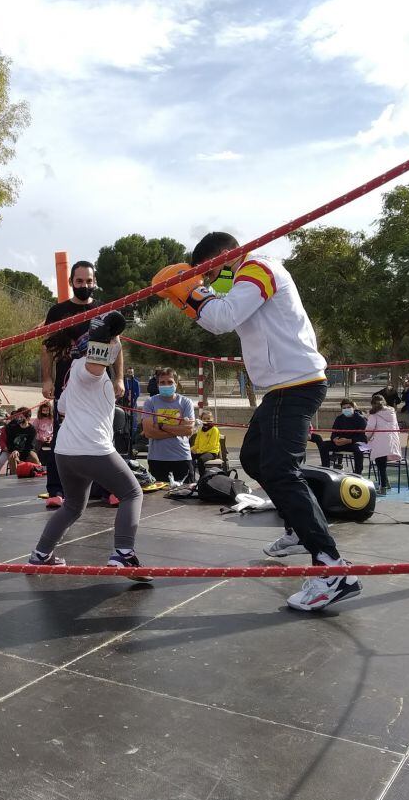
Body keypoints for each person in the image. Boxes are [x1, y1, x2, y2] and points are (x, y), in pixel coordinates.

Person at [156, 231, 360, 610]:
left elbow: (223, 318)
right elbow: (223, 313)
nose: (211, 281)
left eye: (210, 272)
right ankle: (298, 527)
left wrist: (189, 292)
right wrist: (193, 297)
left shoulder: (257, 269)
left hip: (295, 385)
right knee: (252, 459)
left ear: (224, 258)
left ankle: (332, 567)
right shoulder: (245, 278)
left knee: (281, 472)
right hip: (282, 388)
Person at [26, 311, 149, 579]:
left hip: (66, 452)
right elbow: (95, 363)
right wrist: (100, 335)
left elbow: (64, 409)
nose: (116, 345)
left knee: (73, 506)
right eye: (112, 342)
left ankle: (40, 555)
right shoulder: (88, 368)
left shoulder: (74, 377)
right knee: (132, 493)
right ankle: (123, 555)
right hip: (91, 448)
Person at [41, 260, 121, 508]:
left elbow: (117, 345)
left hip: (99, 382)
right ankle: (56, 489)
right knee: (61, 432)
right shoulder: (58, 312)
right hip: (68, 382)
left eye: (88, 281)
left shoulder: (105, 309)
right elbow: (46, 347)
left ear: (94, 282)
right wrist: (47, 378)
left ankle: (108, 488)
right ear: (71, 282)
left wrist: (118, 378)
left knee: (104, 433)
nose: (84, 285)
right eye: (79, 281)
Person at [141, 367, 195, 483]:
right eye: (162, 382)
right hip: (157, 459)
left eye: (170, 382)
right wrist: (178, 430)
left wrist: (161, 426)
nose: (166, 385)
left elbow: (189, 430)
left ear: (176, 383)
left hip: (182, 458)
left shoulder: (186, 402)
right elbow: (149, 432)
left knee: (186, 497)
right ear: (158, 384)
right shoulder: (150, 402)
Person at [320, 399, 368, 474]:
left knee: (359, 451)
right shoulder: (339, 419)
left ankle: (358, 473)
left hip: (354, 443)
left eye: (348, 407)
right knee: (323, 445)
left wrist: (349, 440)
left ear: (353, 408)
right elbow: (334, 433)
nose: (346, 409)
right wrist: (335, 439)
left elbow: (363, 437)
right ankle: (326, 469)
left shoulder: (361, 419)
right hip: (340, 443)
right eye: (344, 408)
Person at [366, 395, 401, 496]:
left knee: (380, 464)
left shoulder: (374, 415)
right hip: (392, 440)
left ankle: (383, 487)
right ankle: (386, 483)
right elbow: (397, 427)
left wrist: (366, 438)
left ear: (373, 404)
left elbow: (370, 428)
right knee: (383, 464)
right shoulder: (392, 412)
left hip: (380, 441)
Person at [4, 408, 40, 475]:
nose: (18, 418)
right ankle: (15, 476)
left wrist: (22, 459)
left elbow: (30, 445)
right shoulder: (13, 428)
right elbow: (9, 442)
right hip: (15, 450)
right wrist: (14, 450)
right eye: (18, 416)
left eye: (21, 417)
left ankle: (37, 473)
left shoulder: (32, 430)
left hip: (27, 451)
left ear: (28, 418)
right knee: (13, 457)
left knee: (34, 457)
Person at [190, 410, 222, 476]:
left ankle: (202, 479)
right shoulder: (200, 429)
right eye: (204, 419)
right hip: (201, 451)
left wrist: (198, 451)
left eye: (208, 419)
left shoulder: (214, 430)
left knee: (201, 460)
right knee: (187, 457)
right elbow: (197, 443)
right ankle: (190, 478)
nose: (206, 420)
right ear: (201, 420)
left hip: (211, 452)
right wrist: (191, 449)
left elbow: (211, 445)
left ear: (212, 419)